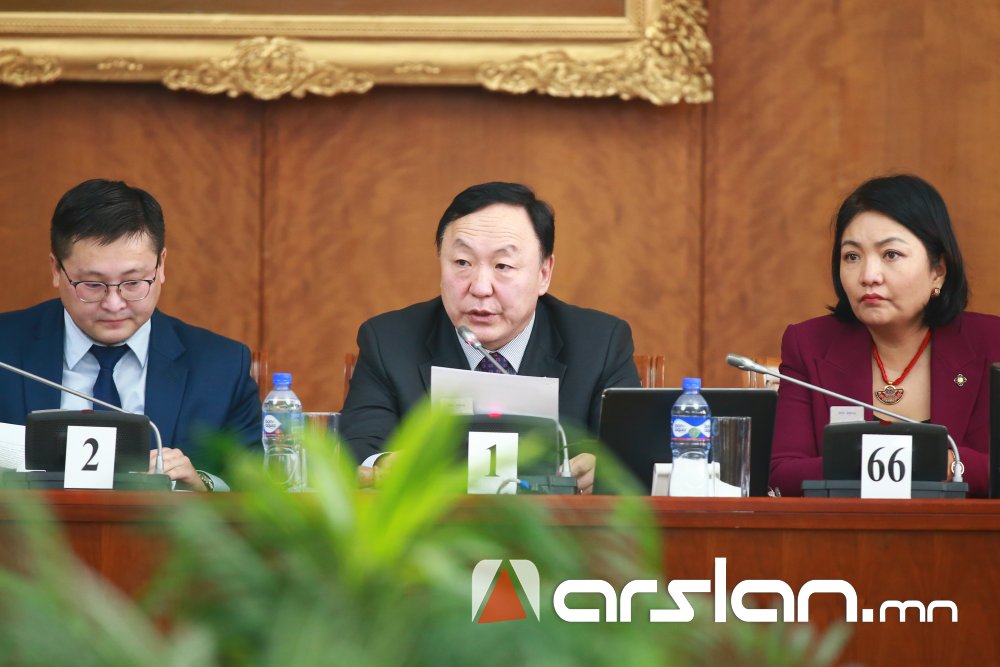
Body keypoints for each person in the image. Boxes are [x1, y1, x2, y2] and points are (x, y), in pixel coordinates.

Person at [340, 182, 641, 493]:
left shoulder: (599, 343)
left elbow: (630, 459)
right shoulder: (389, 341)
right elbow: (357, 453)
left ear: (543, 273)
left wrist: (601, 471)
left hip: (558, 522)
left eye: (503, 266)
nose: (480, 287)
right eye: (462, 263)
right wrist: (384, 466)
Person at [0, 179, 261, 491]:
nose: (114, 304)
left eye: (133, 282)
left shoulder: (221, 368)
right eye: (92, 285)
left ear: (161, 266)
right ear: (57, 270)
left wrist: (202, 484)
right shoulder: (5, 353)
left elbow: (257, 492)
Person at [769, 174, 1000, 497]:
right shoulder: (809, 344)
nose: (868, 276)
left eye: (891, 254)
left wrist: (952, 465)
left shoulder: (992, 342)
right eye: (852, 256)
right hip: (845, 529)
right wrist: (913, 461)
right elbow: (782, 474)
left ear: (938, 270)